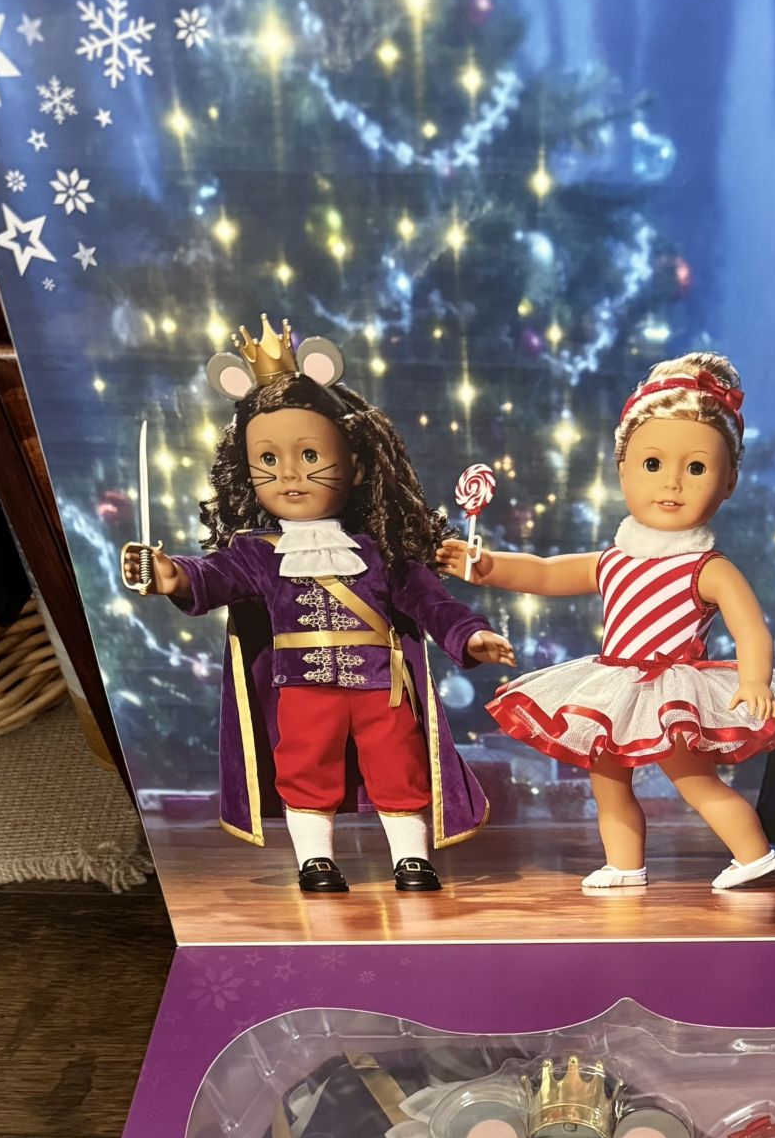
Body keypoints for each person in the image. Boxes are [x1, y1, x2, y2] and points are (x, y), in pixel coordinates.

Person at [121, 315, 514, 894]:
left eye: (310, 455)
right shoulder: (256, 552)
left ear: (355, 464)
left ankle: (411, 858)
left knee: (399, 765)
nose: (289, 475)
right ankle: (316, 860)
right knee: (304, 769)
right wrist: (171, 575)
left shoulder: (380, 550)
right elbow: (211, 577)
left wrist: (469, 635)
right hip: (302, 686)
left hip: (383, 687)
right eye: (268, 461)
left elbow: (431, 602)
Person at [437, 351, 775, 892]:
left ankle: (753, 853)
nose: (673, 484)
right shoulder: (614, 559)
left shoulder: (707, 567)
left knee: (694, 780)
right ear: (623, 469)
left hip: (673, 689)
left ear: (729, 481)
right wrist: (484, 565)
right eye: (652, 465)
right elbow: (545, 573)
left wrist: (755, 679)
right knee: (608, 780)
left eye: (696, 468)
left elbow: (751, 629)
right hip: (614, 684)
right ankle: (624, 863)